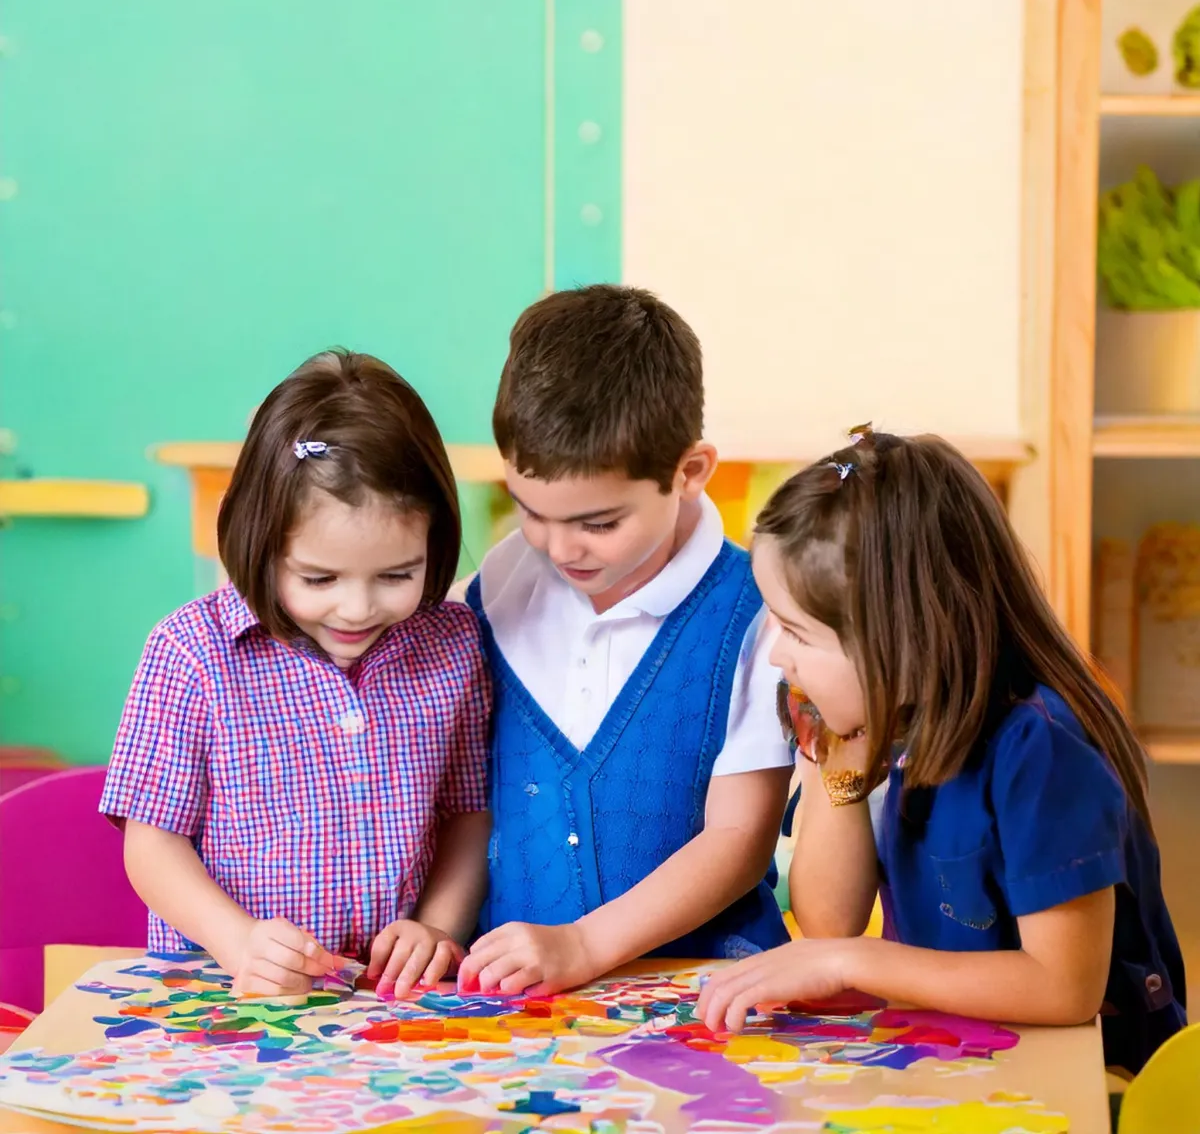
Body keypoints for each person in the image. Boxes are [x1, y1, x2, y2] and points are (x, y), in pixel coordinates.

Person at [697, 428, 1185, 1078]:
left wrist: (856, 963)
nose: (778, 655)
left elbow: (1065, 988)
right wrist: (831, 757)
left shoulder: (1040, 749)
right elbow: (831, 920)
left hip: (1091, 1082)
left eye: (797, 633)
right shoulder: (888, 712)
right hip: (960, 1057)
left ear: (900, 641)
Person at [101, 350, 491, 999]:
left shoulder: (453, 646)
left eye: (397, 574)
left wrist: (436, 927)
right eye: (318, 578)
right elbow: (152, 844)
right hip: (231, 990)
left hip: (390, 1002)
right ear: (261, 541)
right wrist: (235, 941)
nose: (358, 607)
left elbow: (467, 815)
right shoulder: (189, 652)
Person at [455, 284, 794, 997]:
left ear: (690, 471)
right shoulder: (498, 588)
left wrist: (584, 945)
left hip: (701, 998)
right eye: (529, 510)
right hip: (514, 1008)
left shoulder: (754, 615)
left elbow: (738, 841)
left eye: (599, 523)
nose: (556, 545)